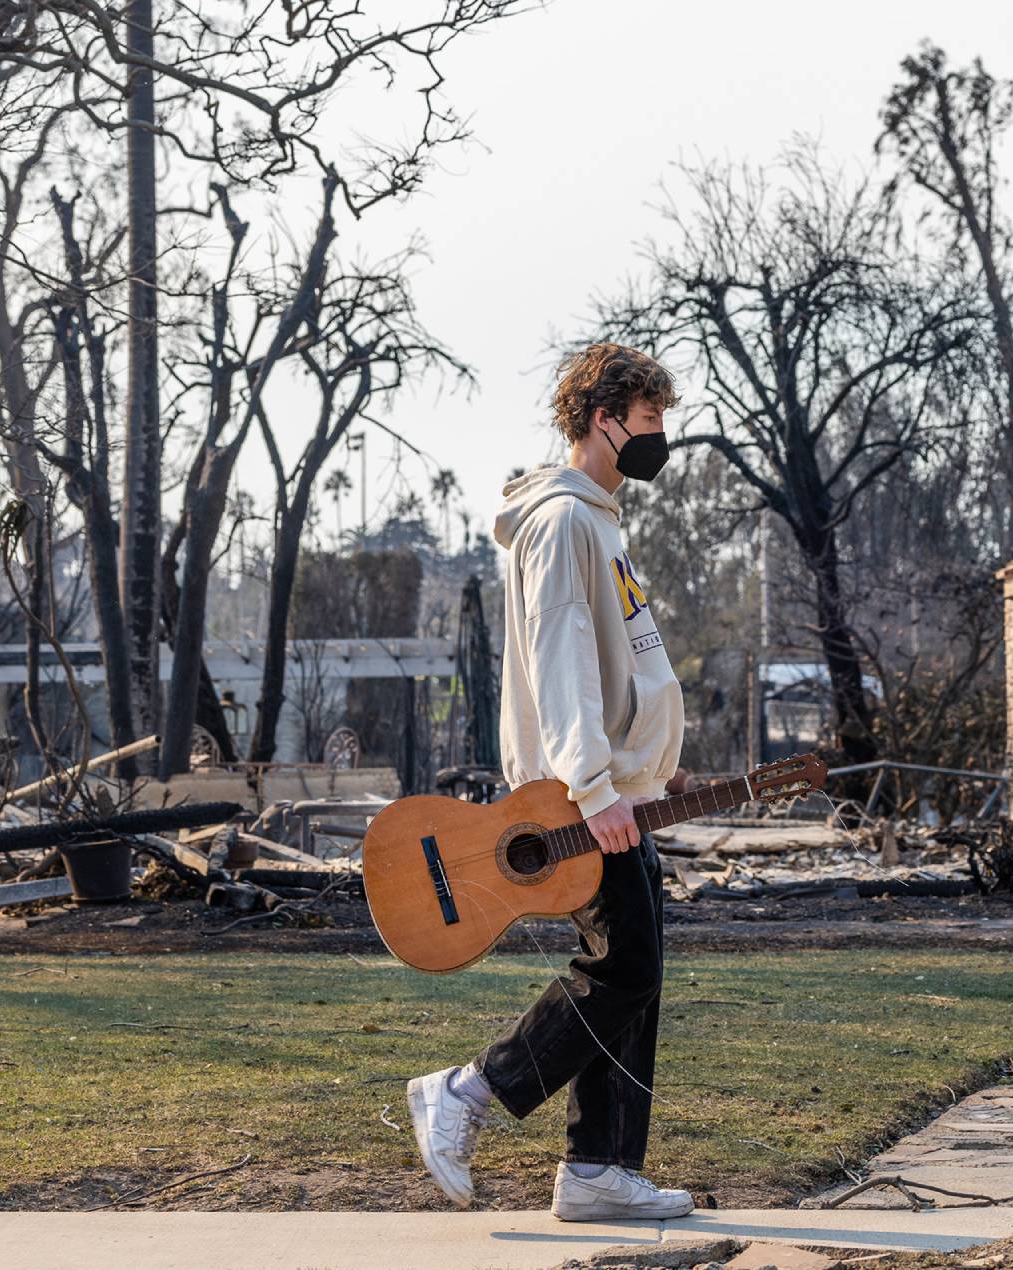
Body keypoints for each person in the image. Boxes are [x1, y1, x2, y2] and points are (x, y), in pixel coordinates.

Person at [405, 343, 692, 1221]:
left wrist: (642, 771)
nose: (659, 439)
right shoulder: (565, 522)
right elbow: (562, 661)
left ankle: (599, 1170)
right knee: (625, 969)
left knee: (634, 974)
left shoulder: (597, 520)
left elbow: (621, 664)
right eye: (649, 423)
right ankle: (467, 1090)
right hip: (579, 802)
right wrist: (598, 789)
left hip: (614, 792)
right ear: (603, 419)